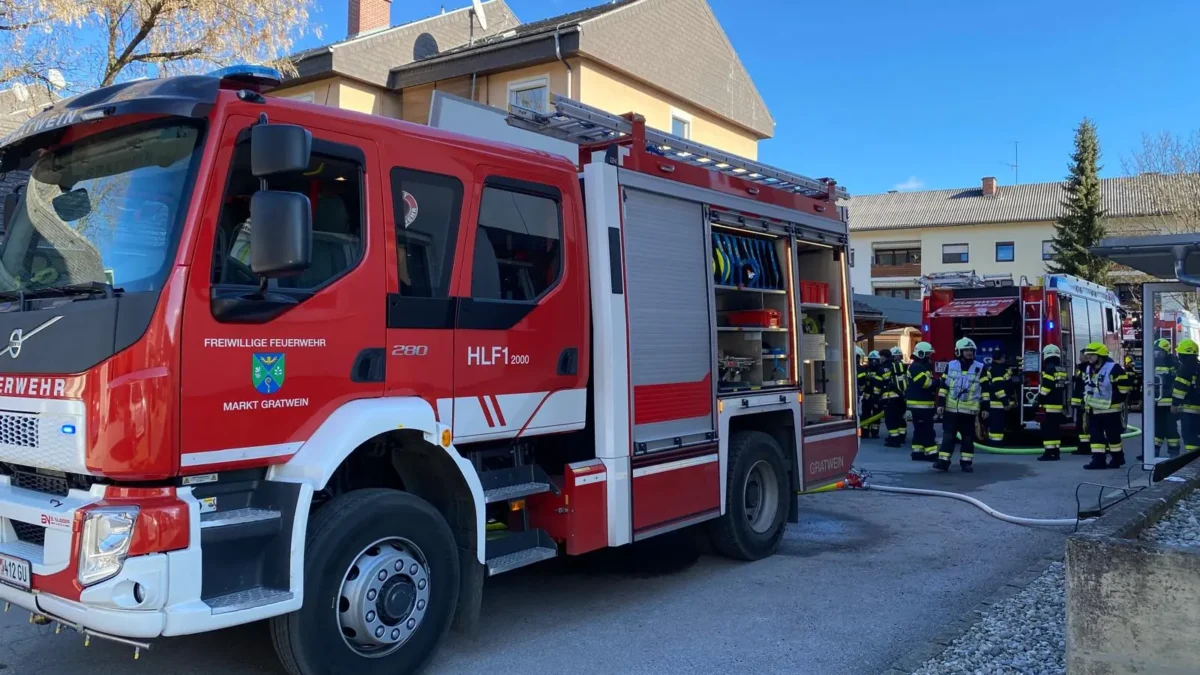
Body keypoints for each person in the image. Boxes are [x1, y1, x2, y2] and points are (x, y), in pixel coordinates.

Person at [935, 337, 986, 472]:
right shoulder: (951, 366)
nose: (969, 352)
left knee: (968, 439)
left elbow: (986, 389)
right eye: (966, 350)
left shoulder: (980, 368)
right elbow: (943, 387)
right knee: (948, 437)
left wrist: (985, 408)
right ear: (959, 351)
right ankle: (943, 462)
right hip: (951, 410)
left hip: (969, 412)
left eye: (971, 350)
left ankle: (966, 462)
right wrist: (940, 404)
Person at [1082, 342, 1131, 470]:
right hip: (1093, 410)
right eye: (1088, 355)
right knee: (1096, 437)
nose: (1089, 358)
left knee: (1113, 437)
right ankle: (1098, 461)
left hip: (1111, 410)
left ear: (1100, 355)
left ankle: (1117, 459)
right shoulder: (1088, 368)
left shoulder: (1114, 368)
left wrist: (1115, 400)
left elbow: (1124, 389)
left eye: (1092, 355)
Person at [1033, 344, 1068, 461]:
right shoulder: (1062, 369)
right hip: (1058, 405)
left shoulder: (1049, 369)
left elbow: (1046, 387)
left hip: (1048, 405)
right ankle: (1056, 452)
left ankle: (1048, 452)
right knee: (1055, 430)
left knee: (1047, 430)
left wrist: (1038, 399)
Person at [907, 341, 938, 461]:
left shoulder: (920, 366)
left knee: (920, 430)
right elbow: (925, 383)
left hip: (923, 405)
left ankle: (917, 452)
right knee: (927, 430)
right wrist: (938, 382)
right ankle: (931, 454)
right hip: (920, 406)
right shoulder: (916, 367)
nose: (929, 357)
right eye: (928, 354)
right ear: (921, 354)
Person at [1152, 338, 1181, 458]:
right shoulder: (1152, 362)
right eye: (1155, 350)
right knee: (1157, 428)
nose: (1156, 353)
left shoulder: (1174, 364)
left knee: (1171, 429)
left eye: (1159, 351)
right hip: (1156, 401)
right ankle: (1153, 452)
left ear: (1166, 351)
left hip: (1169, 402)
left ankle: (1173, 454)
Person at [1172, 339, 1200, 455]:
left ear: (1183, 355)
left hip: (1190, 409)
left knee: (1190, 437)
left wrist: (1175, 404)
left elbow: (1180, 389)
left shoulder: (1185, 368)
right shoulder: (1198, 366)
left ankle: (1194, 463)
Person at [875, 348, 905, 447]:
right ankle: (901, 437)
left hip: (889, 398)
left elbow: (877, 386)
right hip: (900, 397)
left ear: (884, 357)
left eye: (880, 356)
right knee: (899, 418)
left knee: (890, 420)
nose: (880, 359)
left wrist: (876, 399)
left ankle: (894, 439)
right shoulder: (896, 366)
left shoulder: (881, 369)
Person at [982, 351, 1013, 446]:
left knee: (994, 424)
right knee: (997, 424)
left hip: (993, 402)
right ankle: (996, 443)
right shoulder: (998, 369)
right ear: (1001, 357)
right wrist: (1005, 401)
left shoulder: (991, 368)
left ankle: (994, 441)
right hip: (998, 403)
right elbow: (998, 387)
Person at [1070, 349, 1092, 456]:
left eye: (1081, 356)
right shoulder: (1087, 367)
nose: (1079, 358)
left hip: (1084, 403)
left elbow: (1079, 387)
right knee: (1083, 425)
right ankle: (1084, 447)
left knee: (1084, 426)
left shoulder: (1085, 368)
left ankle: (1084, 448)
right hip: (1085, 402)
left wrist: (1077, 402)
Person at [863, 350, 883, 438]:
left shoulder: (881, 370)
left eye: (875, 360)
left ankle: (875, 432)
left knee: (876, 415)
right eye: (871, 360)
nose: (873, 362)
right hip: (867, 397)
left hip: (877, 396)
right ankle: (865, 432)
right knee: (865, 414)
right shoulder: (865, 369)